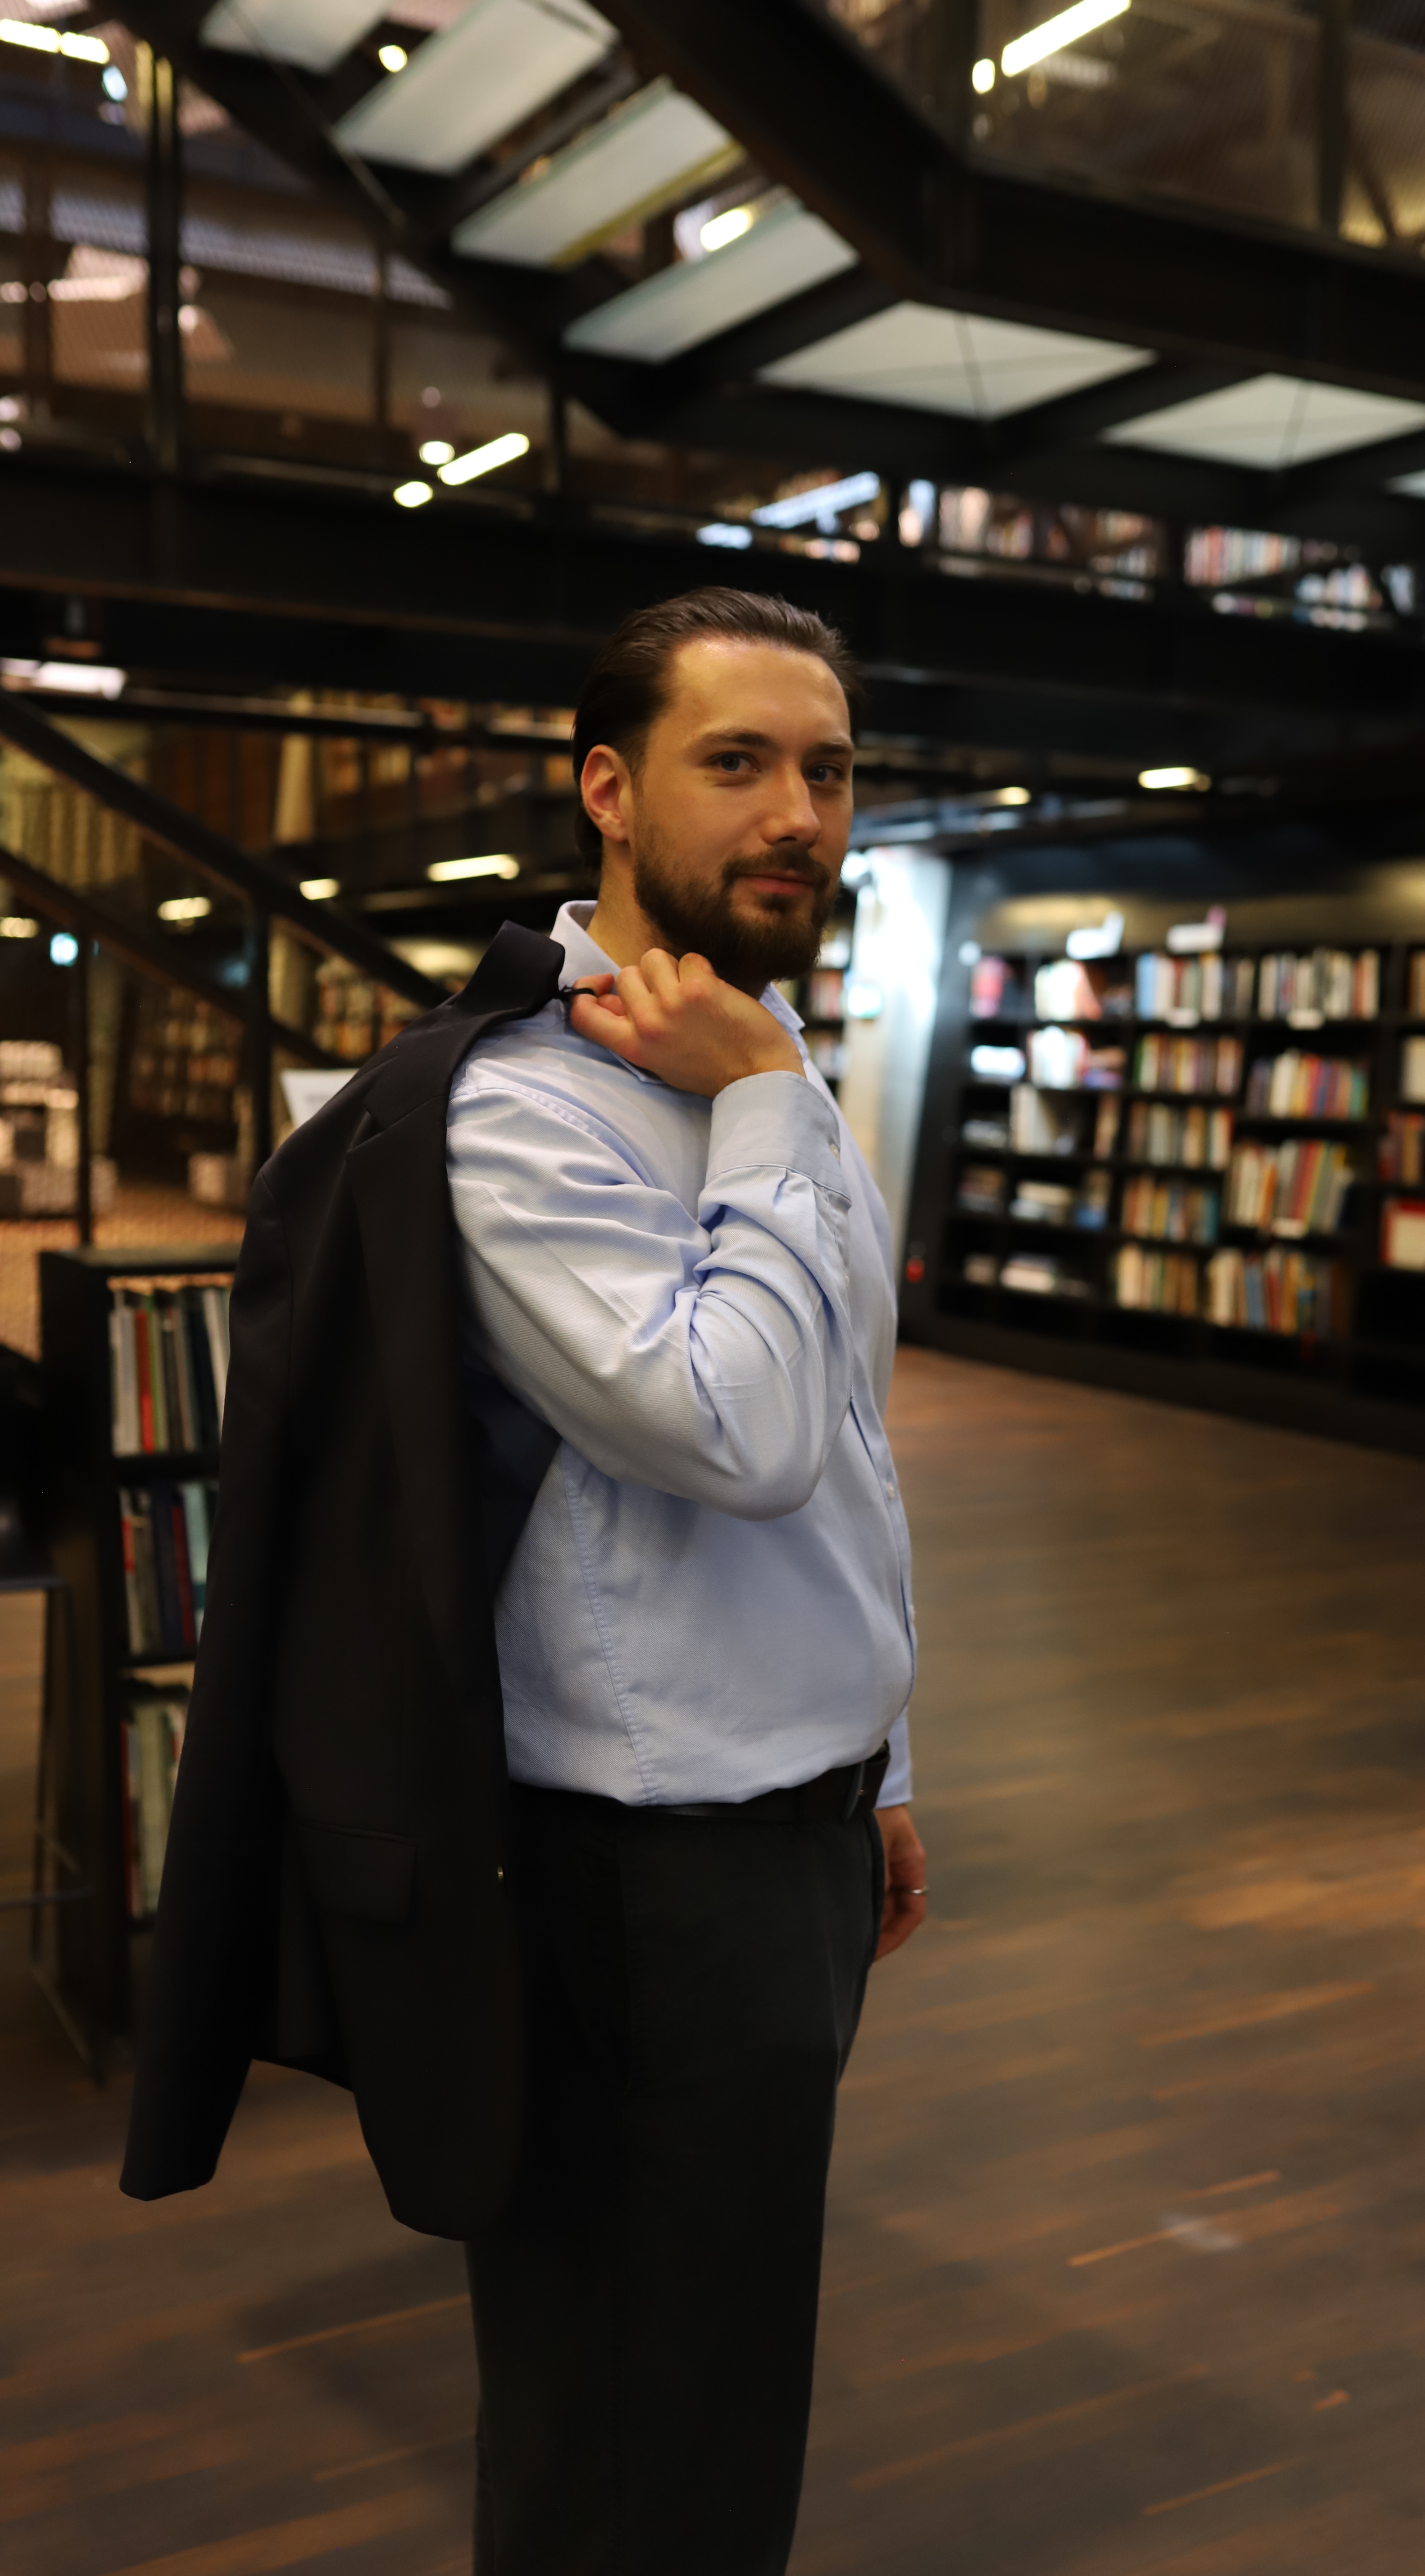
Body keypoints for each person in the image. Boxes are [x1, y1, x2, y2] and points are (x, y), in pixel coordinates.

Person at [119, 585, 925, 2576]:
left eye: (823, 771)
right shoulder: (517, 1109)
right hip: (641, 1875)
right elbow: (727, 1430)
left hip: (790, 1833)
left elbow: (847, 1445)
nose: (795, 815)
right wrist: (762, 1103)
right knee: (618, 2430)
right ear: (605, 789)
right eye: (734, 763)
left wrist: (883, 1766)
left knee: (720, 2386)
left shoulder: (758, 1061)